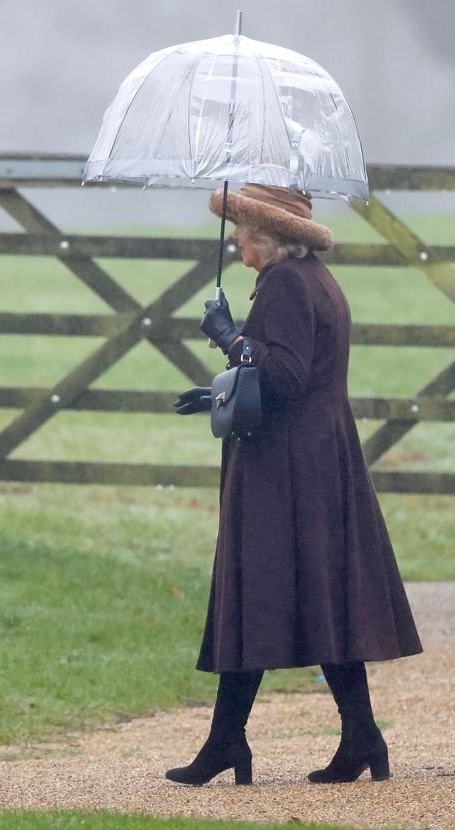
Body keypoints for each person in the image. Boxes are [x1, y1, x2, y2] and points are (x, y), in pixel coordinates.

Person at [169, 184, 422, 786]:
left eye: (243, 231)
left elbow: (283, 374)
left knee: (258, 590)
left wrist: (228, 336)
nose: (235, 240)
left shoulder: (284, 284)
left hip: (286, 469)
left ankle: (231, 743)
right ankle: (356, 737)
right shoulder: (315, 281)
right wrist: (220, 391)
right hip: (315, 458)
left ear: (267, 237)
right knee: (320, 593)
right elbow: (298, 372)